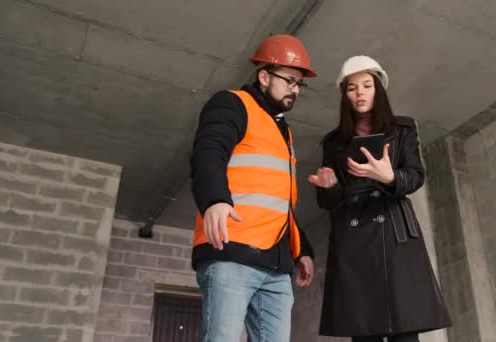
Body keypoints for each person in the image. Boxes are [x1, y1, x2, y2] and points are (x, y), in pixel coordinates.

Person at [308, 55, 452, 342]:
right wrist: (329, 186)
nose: (360, 93)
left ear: (379, 89)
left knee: (405, 329)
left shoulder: (403, 129)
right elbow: (328, 203)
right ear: (344, 95)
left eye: (367, 85)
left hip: (396, 237)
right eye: (352, 88)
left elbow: (416, 176)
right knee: (364, 331)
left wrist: (389, 177)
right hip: (353, 238)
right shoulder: (334, 142)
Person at [190, 34, 317, 342]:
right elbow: (208, 151)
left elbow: (280, 201)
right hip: (231, 253)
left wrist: (302, 250)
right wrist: (215, 199)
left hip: (276, 268)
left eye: (300, 84)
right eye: (289, 80)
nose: (295, 89)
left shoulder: (283, 133)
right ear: (263, 76)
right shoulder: (233, 104)